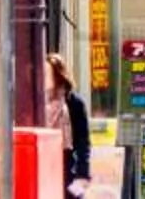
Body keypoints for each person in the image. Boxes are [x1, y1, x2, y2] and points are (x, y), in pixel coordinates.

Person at [51, 53, 92, 193]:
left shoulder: (74, 103)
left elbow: (83, 141)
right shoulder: (38, 102)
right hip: (46, 159)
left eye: (48, 73)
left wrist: (83, 173)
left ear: (58, 75)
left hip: (68, 163)